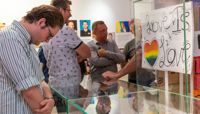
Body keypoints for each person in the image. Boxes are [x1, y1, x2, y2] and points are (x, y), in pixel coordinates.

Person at [0, 5, 64, 114]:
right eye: (49, 35)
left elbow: (41, 80)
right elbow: (29, 91)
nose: (48, 41)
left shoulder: (28, 43)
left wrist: (50, 99)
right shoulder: (9, 37)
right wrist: (46, 109)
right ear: (41, 22)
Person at [44, 0, 91, 112]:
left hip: (55, 83)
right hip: (69, 85)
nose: (70, 14)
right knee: (73, 111)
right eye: (68, 10)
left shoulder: (45, 30)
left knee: (62, 111)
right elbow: (87, 53)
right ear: (60, 10)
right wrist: (80, 55)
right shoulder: (65, 31)